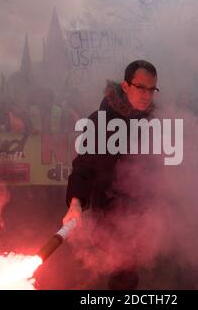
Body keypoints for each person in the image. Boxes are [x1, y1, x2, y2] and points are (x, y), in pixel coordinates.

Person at [63, 60, 159, 289]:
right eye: (140, 87)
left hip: (142, 211)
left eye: (152, 89)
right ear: (125, 87)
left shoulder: (154, 122)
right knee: (122, 271)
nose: (147, 95)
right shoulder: (100, 121)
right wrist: (75, 203)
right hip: (111, 210)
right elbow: (84, 166)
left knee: (130, 268)